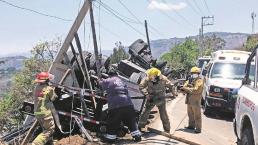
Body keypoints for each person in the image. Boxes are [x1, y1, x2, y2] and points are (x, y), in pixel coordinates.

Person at [99, 68, 142, 143]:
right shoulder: (122, 81)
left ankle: (111, 138)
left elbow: (101, 84)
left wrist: (98, 79)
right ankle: (137, 135)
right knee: (131, 121)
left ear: (109, 75)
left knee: (113, 121)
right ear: (116, 74)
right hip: (128, 104)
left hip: (116, 106)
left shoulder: (108, 80)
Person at [138, 67, 175, 133]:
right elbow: (141, 86)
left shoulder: (163, 79)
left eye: (152, 76)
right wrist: (147, 95)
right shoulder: (147, 79)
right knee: (145, 112)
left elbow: (171, 86)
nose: (150, 77)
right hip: (151, 98)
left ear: (156, 76)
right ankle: (140, 127)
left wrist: (174, 94)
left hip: (161, 98)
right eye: (150, 76)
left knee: (163, 114)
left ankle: (167, 129)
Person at [32, 72, 58, 145]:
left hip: (37, 112)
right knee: (50, 129)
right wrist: (53, 89)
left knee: (45, 128)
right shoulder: (49, 89)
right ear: (47, 81)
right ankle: (35, 143)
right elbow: (53, 98)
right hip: (45, 113)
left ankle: (49, 142)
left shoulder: (36, 88)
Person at [181, 66, 204, 133]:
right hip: (189, 100)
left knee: (197, 115)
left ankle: (198, 129)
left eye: (195, 73)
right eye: (193, 73)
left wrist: (187, 89)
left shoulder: (199, 81)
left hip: (195, 101)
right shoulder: (190, 80)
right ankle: (191, 126)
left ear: (198, 74)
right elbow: (184, 86)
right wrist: (184, 89)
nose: (194, 74)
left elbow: (196, 90)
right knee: (190, 114)